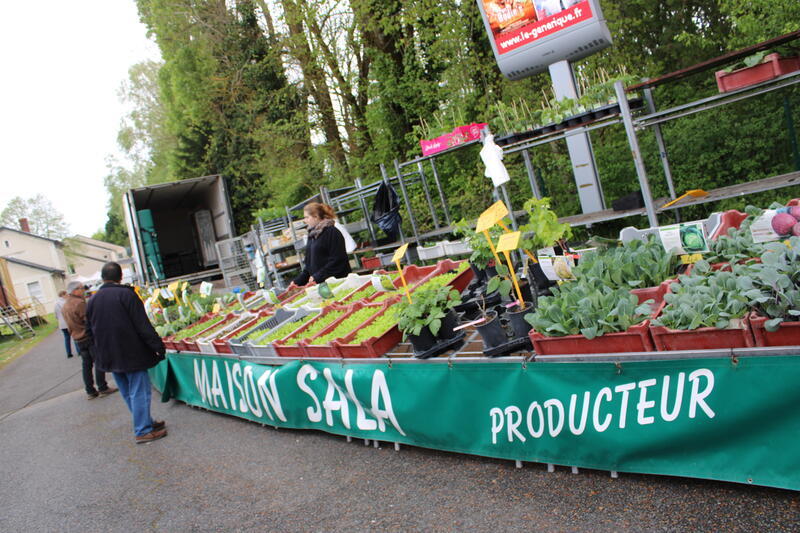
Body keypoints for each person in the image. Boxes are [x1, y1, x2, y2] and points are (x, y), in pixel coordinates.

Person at [86, 262, 167, 443]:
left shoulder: (92, 301)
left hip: (109, 355)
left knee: (128, 393)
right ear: (120, 277)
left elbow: (88, 332)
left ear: (103, 278)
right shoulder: (126, 295)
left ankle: (145, 422)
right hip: (132, 352)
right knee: (139, 391)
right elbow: (142, 325)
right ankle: (143, 430)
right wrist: (158, 347)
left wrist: (96, 354)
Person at [62, 281, 118, 400]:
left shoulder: (65, 305)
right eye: (81, 288)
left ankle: (90, 390)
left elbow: (69, 325)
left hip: (78, 338)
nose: (83, 290)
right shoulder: (79, 303)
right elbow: (88, 320)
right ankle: (102, 387)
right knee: (98, 361)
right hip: (87, 336)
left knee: (86, 365)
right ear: (75, 290)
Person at [292, 202, 352, 286]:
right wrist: (297, 282)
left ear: (316, 217)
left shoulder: (332, 232)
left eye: (307, 217)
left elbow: (338, 260)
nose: (305, 221)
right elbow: (309, 265)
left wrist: (318, 276)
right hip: (321, 284)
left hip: (338, 282)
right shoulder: (312, 235)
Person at [54, 290, 73, 358]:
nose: (67, 295)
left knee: (66, 338)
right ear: (63, 295)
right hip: (68, 322)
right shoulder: (66, 302)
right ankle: (79, 351)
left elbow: (56, 315)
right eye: (66, 294)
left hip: (62, 324)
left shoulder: (56, 303)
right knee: (74, 336)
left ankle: (68, 353)